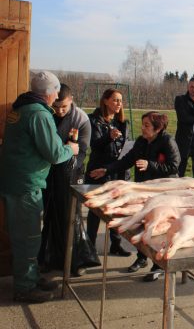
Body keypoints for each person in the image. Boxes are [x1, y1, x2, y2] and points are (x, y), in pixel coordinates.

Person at [0, 71, 79, 303]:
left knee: (22, 234)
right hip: (26, 185)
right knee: (28, 237)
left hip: (13, 180)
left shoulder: (21, 108)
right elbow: (55, 153)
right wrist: (71, 150)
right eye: (55, 91)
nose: (57, 96)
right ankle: (25, 288)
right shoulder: (39, 114)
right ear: (49, 92)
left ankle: (31, 277)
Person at [89, 111, 181, 281]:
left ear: (158, 128)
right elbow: (126, 160)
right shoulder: (140, 142)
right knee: (142, 224)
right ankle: (141, 257)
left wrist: (151, 165)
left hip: (163, 192)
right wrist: (107, 169)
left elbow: (174, 166)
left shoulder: (168, 141)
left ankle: (158, 265)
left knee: (157, 228)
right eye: (143, 124)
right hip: (143, 191)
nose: (143, 128)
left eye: (147, 125)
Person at [38, 84, 100, 277]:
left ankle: (76, 259)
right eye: (56, 107)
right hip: (49, 170)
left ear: (71, 100)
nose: (60, 111)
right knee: (50, 214)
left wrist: (68, 167)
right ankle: (50, 257)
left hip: (71, 172)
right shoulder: (47, 115)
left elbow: (81, 151)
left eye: (64, 107)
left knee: (70, 216)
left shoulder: (81, 119)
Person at [85, 88, 132, 257]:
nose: (119, 104)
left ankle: (116, 244)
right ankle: (89, 248)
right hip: (98, 171)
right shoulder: (93, 120)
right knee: (95, 211)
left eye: (120, 100)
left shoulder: (122, 122)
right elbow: (94, 145)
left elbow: (125, 147)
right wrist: (109, 137)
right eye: (115, 100)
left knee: (116, 209)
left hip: (117, 171)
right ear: (105, 101)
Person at [174, 77, 194, 177]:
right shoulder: (180, 100)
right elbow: (183, 118)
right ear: (188, 87)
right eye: (192, 87)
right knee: (179, 173)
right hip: (183, 141)